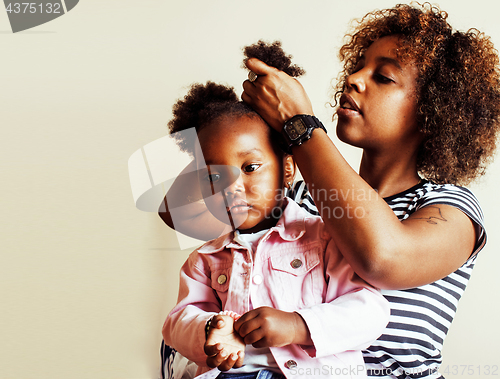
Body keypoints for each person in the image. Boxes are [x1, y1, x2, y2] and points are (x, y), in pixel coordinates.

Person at [159, 4, 500, 379]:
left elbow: (383, 260)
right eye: (359, 65)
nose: (353, 78)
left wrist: (300, 126)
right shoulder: (298, 198)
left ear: (434, 110)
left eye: (383, 76)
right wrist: (230, 137)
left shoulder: (448, 206)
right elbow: (175, 213)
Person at [161, 76, 390, 379]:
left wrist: (297, 325)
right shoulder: (204, 259)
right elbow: (176, 323)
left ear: (287, 169)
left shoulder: (324, 238)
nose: (232, 188)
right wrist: (208, 328)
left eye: (250, 168)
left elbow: (370, 312)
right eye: (214, 177)